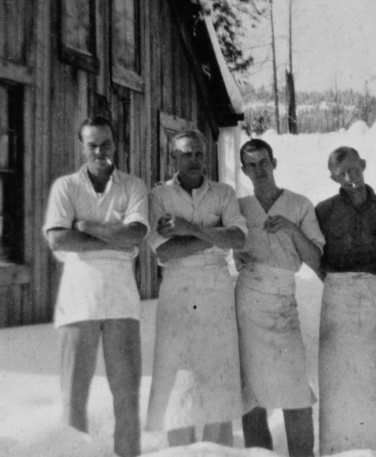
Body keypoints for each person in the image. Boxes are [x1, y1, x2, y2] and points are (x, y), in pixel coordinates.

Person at [43, 117, 148, 457]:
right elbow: (58, 238)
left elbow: (135, 234)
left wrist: (85, 226)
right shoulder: (66, 187)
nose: (100, 151)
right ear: (82, 147)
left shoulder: (132, 186)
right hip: (78, 297)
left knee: (127, 396)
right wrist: (113, 238)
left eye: (106, 144)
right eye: (93, 145)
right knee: (74, 397)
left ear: (115, 145)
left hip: (121, 299)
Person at [145, 130, 247, 447]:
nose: (194, 160)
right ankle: (180, 451)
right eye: (187, 153)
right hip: (178, 288)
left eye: (199, 153)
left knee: (218, 374)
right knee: (179, 378)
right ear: (173, 157)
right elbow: (165, 251)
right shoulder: (159, 196)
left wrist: (189, 229)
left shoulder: (224, 193)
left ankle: (219, 450)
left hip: (216, 289)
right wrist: (214, 234)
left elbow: (238, 239)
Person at [234, 139, 324, 457]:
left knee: (294, 388)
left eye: (264, 162)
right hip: (247, 300)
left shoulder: (299, 204)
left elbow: (317, 261)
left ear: (274, 162)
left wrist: (291, 229)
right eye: (252, 165)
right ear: (244, 169)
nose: (259, 170)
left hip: (284, 300)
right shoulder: (239, 207)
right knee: (251, 392)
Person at [315, 147, 376, 454]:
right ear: (333, 177)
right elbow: (316, 255)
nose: (351, 178)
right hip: (337, 297)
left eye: (355, 169)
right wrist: (338, 281)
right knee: (339, 379)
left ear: (364, 165)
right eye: (342, 173)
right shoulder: (323, 211)